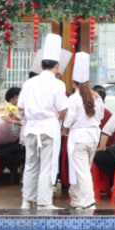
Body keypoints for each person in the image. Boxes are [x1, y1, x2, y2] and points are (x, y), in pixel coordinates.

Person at [17, 34, 69, 210]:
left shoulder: (29, 82)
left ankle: (27, 201)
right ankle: (44, 203)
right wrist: (57, 114)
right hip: (48, 128)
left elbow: (20, 107)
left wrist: (32, 114)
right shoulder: (58, 84)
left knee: (30, 165)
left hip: (31, 128)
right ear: (57, 66)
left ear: (41, 66)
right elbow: (63, 109)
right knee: (47, 166)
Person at [62, 53, 105, 210]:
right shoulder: (97, 98)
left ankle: (88, 202)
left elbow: (68, 120)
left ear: (72, 81)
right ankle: (76, 199)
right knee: (81, 169)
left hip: (79, 137)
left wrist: (64, 129)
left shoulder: (74, 99)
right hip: (93, 137)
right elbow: (100, 117)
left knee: (82, 171)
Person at [0, 87, 26, 177]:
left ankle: (22, 166)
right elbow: (25, 121)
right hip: (24, 140)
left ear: (15, 97)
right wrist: (16, 118)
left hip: (27, 142)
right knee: (0, 148)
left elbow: (27, 123)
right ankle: (20, 167)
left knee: (2, 153)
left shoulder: (24, 106)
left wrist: (12, 121)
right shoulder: (24, 105)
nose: (12, 104)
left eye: (11, 101)